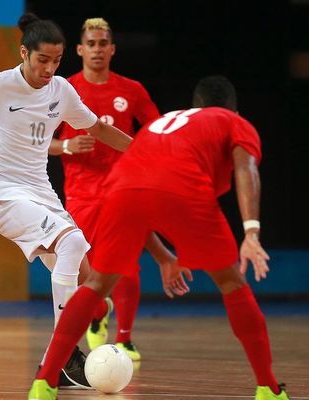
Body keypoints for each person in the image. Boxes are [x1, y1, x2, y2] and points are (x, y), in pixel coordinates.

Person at [0, 12, 181, 391]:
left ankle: (75, 339)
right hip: (5, 197)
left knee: (89, 281)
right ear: (24, 53)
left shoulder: (61, 91)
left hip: (42, 195)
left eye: (56, 62)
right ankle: (63, 356)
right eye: (42, 60)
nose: (49, 69)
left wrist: (146, 154)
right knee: (71, 243)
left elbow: (101, 128)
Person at [28, 75, 290, 400]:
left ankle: (45, 382)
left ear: (197, 106)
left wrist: (164, 255)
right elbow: (245, 168)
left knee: (96, 284)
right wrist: (251, 231)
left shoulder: (167, 122)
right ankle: (268, 388)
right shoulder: (233, 122)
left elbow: (144, 191)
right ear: (231, 108)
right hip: (183, 187)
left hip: (121, 187)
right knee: (232, 283)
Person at [48, 17, 161, 360]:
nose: (97, 50)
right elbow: (36, 138)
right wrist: (66, 147)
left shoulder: (132, 90)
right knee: (88, 268)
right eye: (91, 44)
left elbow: (154, 133)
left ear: (112, 49)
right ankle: (98, 315)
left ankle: (125, 337)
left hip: (122, 190)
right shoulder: (64, 88)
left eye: (103, 44)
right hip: (80, 193)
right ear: (80, 49)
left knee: (126, 264)